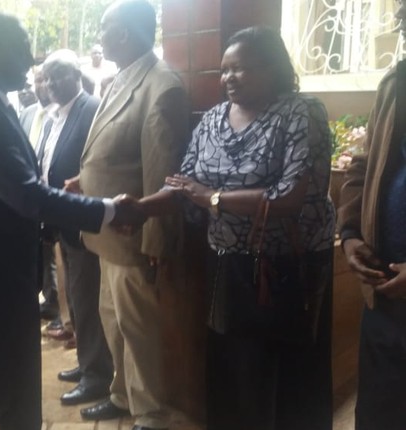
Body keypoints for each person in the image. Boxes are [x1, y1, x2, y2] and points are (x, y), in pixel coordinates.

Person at [0, 12, 141, 430]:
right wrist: (110, 210)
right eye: (23, 47)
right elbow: (27, 195)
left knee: (19, 382)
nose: (31, 58)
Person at [137, 26, 335, 430]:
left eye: (240, 69)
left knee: (288, 379)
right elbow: (182, 184)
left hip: (287, 270)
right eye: (224, 70)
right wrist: (136, 210)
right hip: (227, 267)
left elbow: (288, 198)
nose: (228, 78)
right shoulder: (211, 120)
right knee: (235, 372)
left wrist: (210, 197)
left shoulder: (301, 112)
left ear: (273, 68)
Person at [66, 1, 190, 429]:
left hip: (133, 238)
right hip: (105, 236)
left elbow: (161, 173)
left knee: (138, 330)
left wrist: (156, 240)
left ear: (127, 33)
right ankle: (122, 395)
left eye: (106, 28)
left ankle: (151, 413)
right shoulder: (120, 79)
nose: (100, 37)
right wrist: (84, 181)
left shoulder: (162, 85)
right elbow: (112, 155)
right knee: (112, 323)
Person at [338, 2, 406, 428]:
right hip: (383, 298)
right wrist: (349, 234)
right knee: (380, 414)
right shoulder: (396, 85)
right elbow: (363, 166)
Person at [37, 50, 114, 406]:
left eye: (58, 76)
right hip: (63, 223)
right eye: (46, 78)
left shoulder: (92, 109)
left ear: (77, 75)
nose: (50, 84)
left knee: (87, 301)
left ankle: (97, 375)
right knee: (77, 300)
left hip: (84, 222)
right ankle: (87, 363)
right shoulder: (55, 116)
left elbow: (101, 162)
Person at [19, 69, 63, 326]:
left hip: (52, 194)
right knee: (44, 253)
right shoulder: (25, 114)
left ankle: (59, 307)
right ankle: (49, 298)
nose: (42, 85)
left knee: (57, 257)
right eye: (38, 80)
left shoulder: (60, 114)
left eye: (47, 79)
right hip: (30, 194)